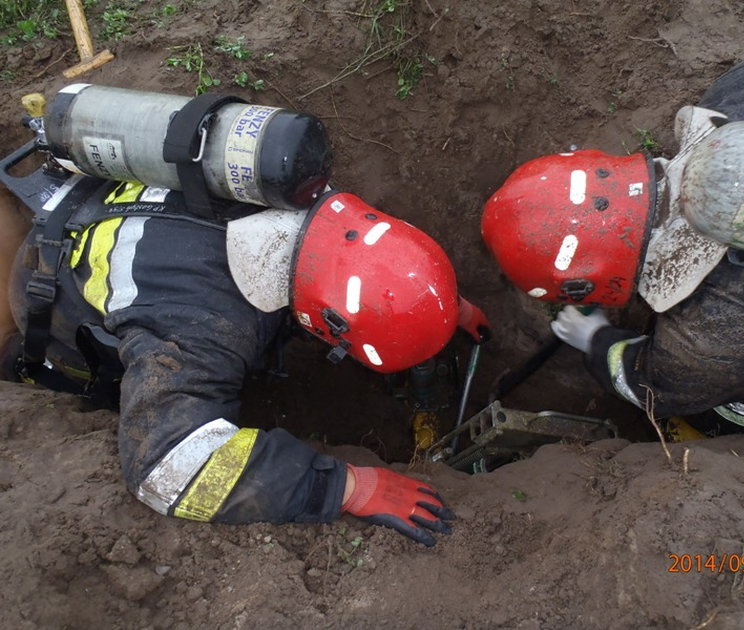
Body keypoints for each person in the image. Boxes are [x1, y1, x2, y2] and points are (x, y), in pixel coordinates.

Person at [0, 87, 490, 547]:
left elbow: (377, 260)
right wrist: (349, 487)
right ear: (328, 326)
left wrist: (444, 305)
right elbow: (167, 468)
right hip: (55, 300)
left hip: (102, 209)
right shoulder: (204, 326)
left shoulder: (298, 187)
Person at [481, 21, 744, 438]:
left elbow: (655, 388)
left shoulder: (710, 334)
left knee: (732, 410)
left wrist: (597, 341)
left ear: (587, 283)